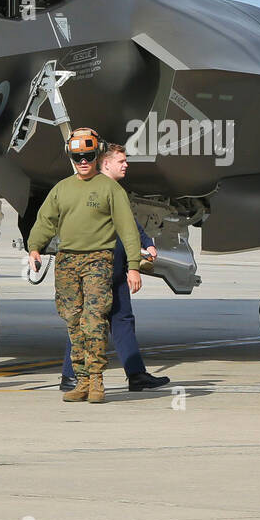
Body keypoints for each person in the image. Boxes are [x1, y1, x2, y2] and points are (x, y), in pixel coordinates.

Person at [27, 128, 142, 404]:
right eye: (77, 156)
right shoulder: (62, 189)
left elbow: (128, 229)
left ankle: (97, 380)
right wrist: (34, 247)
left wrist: (134, 266)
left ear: (96, 155)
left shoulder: (110, 189)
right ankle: (81, 381)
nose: (83, 161)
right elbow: (46, 221)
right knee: (73, 321)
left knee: (93, 321)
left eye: (88, 156)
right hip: (67, 261)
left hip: (98, 260)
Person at [58, 143, 171, 392]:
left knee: (121, 318)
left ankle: (136, 374)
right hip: (96, 265)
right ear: (106, 163)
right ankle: (72, 375)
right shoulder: (92, 190)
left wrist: (145, 243)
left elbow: (127, 223)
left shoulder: (113, 190)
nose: (126, 164)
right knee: (86, 318)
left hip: (114, 264)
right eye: (121, 161)